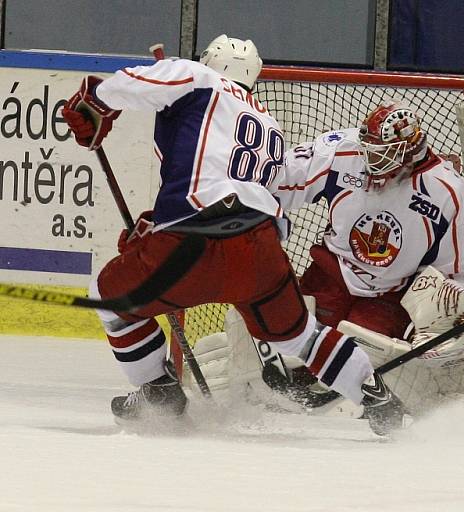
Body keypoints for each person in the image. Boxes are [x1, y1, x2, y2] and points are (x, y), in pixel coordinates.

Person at [60, 34, 406, 436]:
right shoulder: (268, 123)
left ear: (210, 61)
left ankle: (158, 391)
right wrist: (157, 224)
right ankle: (380, 402)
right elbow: (234, 187)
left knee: (108, 301)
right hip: (261, 253)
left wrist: (95, 99)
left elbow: (138, 81)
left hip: (192, 245)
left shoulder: (198, 77)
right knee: (301, 337)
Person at [190, 99, 464, 414]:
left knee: (363, 365)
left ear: (408, 151)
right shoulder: (343, 151)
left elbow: (462, 272)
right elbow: (282, 180)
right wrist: (228, 201)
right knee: (284, 336)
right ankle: (251, 389)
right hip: (330, 276)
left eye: (382, 155)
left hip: (389, 297)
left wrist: (456, 324)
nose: (371, 162)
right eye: (369, 151)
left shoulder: (449, 193)